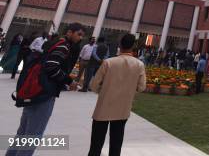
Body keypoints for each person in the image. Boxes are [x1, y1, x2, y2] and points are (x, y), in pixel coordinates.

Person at [7, 23, 84, 156]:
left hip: (34, 89)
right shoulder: (64, 46)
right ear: (70, 32)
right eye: (79, 34)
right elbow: (51, 67)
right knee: (32, 136)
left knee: (23, 133)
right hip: (44, 93)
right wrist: (68, 81)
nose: (80, 38)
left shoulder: (55, 42)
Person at [87, 33, 146, 156]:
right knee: (116, 144)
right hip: (123, 108)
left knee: (96, 145)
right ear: (133, 46)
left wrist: (104, 91)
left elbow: (93, 85)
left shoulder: (108, 62)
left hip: (104, 107)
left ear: (120, 45)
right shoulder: (139, 65)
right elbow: (141, 87)